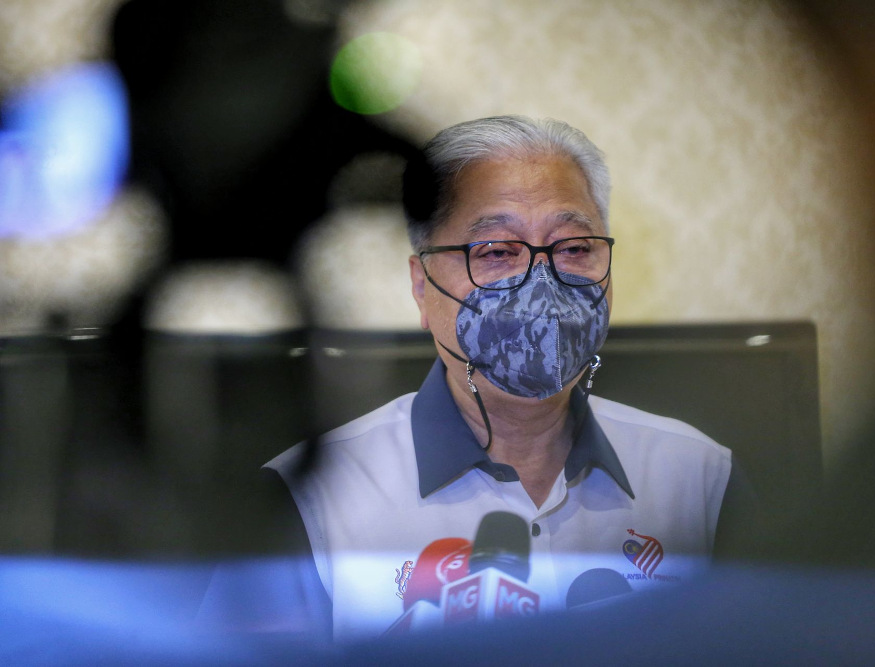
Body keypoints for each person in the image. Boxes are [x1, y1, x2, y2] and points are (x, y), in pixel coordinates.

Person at [263, 115, 756, 642]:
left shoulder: (702, 481)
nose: (541, 286)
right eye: (497, 252)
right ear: (420, 285)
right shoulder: (309, 499)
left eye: (574, 249)